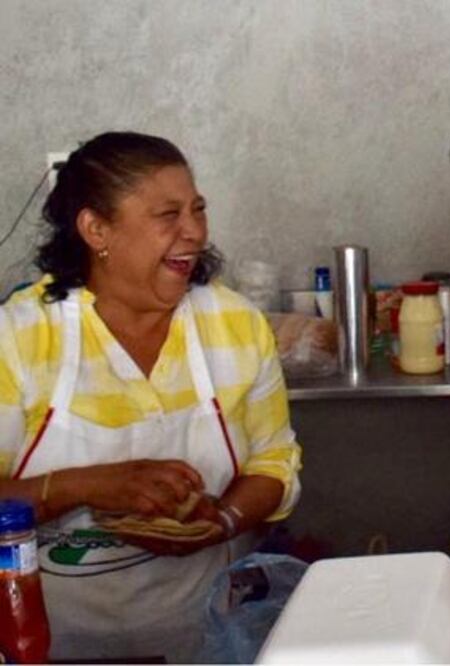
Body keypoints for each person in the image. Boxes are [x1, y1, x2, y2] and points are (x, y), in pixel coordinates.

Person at [0, 132, 302, 660]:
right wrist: (90, 485)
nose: (195, 232)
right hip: (47, 646)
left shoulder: (232, 325)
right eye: (168, 215)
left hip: (206, 639)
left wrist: (222, 521)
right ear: (96, 229)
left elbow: (275, 462)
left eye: (198, 210)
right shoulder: (21, 338)